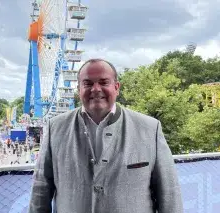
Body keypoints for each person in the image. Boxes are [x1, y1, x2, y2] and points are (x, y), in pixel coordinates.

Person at [28, 58, 183, 213]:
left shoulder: (149, 129)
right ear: (78, 89)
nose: (96, 89)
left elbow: (169, 194)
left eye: (103, 82)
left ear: (116, 87)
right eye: (88, 83)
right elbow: (41, 190)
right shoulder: (56, 128)